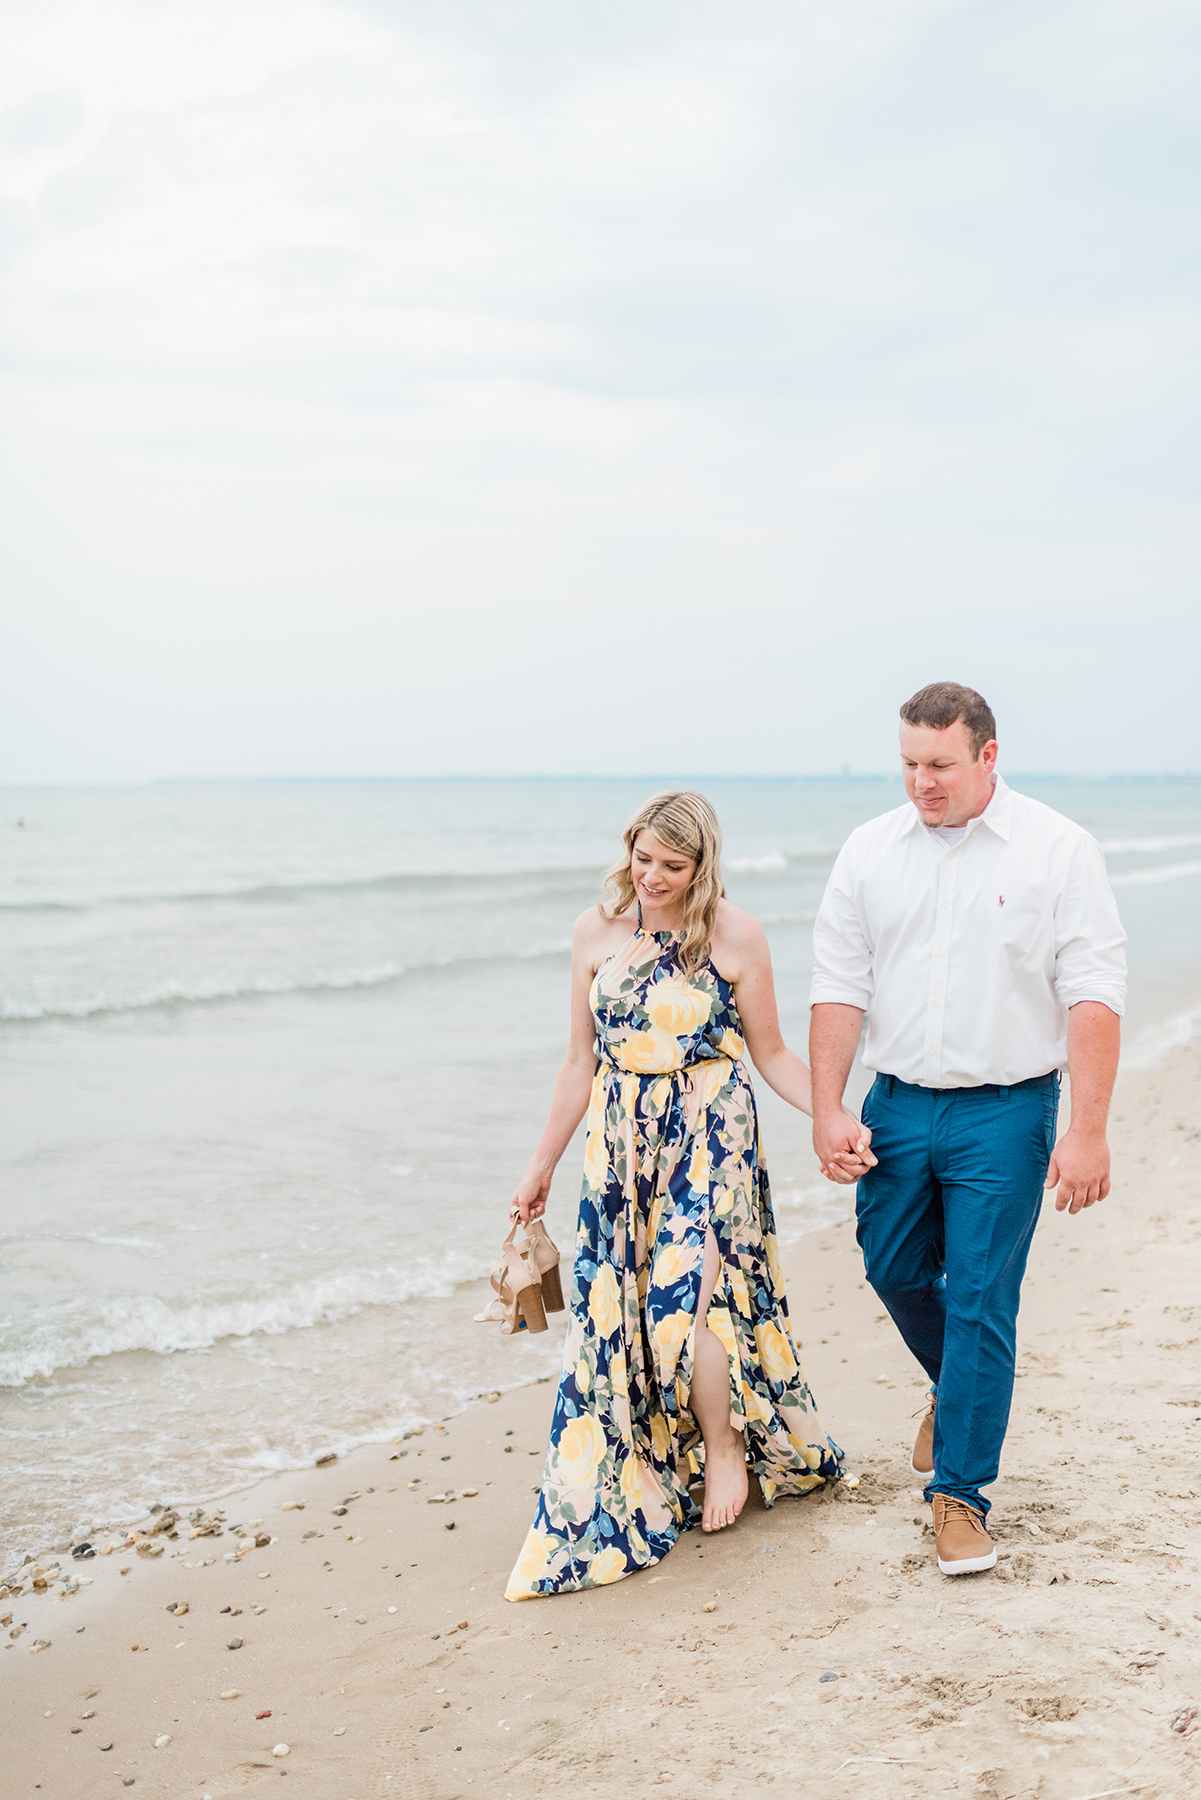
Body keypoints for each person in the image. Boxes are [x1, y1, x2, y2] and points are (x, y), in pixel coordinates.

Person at [504, 791, 874, 1601]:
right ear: (627, 850)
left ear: (702, 865)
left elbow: (771, 1052)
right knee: (628, 1309)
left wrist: (835, 1111)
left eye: (672, 866)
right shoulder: (593, 930)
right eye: (643, 860)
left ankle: (724, 1449)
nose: (653, 877)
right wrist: (538, 1166)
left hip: (710, 1139)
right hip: (618, 1147)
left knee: (691, 1300)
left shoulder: (733, 934)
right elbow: (577, 1062)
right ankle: (649, 1456)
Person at [809, 683, 1127, 1576]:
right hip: (897, 1102)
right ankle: (959, 1391)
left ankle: (959, 1498)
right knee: (891, 1264)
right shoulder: (870, 850)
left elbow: (1093, 992)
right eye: (909, 764)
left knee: (983, 1295)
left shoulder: (1058, 850)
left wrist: (1087, 1129)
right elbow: (839, 984)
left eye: (939, 765)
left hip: (1009, 1108)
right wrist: (830, 1107)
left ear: (988, 755)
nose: (922, 782)